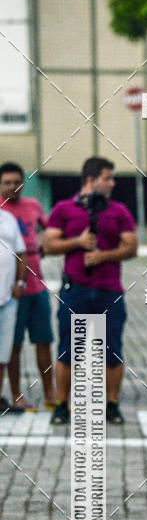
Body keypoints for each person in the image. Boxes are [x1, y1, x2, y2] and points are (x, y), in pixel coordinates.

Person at [44, 157, 137, 425]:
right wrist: (78, 241)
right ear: (91, 180)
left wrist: (103, 256)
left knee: (113, 350)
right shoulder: (64, 209)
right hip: (75, 290)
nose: (113, 183)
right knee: (68, 350)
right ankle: (62, 405)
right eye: (108, 178)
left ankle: (112, 405)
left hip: (110, 291)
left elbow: (131, 247)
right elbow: (48, 244)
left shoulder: (119, 210)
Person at [0, 162, 56, 411]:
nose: (13, 187)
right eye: (7, 182)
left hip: (37, 284)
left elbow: (50, 229)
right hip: (11, 291)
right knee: (13, 345)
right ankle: (16, 395)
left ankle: (50, 394)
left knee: (44, 340)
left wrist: (42, 247)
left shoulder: (33, 205)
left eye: (17, 182)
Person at [0, 207, 27, 414]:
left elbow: (21, 252)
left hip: (7, 299)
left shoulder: (8, 218)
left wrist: (20, 282)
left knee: (3, 353)